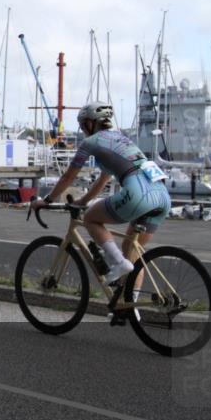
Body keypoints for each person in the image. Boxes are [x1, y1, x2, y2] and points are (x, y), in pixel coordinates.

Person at [30, 101, 171, 285]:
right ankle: (130, 309)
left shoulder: (90, 142)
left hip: (139, 193)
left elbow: (68, 178)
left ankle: (119, 263)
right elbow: (104, 179)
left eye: (82, 126)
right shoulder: (121, 139)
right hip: (162, 195)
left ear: (90, 123)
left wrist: (47, 200)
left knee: (90, 219)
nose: (82, 130)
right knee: (132, 251)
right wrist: (82, 200)